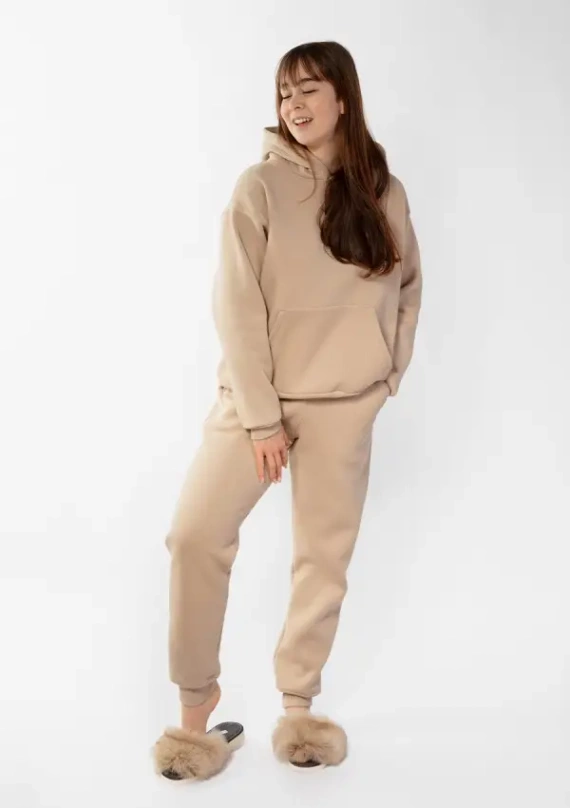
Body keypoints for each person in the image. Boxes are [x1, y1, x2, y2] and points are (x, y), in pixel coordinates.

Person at [153, 39, 422, 781]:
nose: (293, 105)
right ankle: (196, 712)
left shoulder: (384, 190)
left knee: (322, 560)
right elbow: (236, 306)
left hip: (345, 404)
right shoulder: (260, 186)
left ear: (343, 98)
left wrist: (386, 375)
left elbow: (407, 287)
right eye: (284, 93)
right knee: (194, 535)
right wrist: (263, 418)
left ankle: (299, 708)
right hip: (255, 402)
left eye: (308, 90)